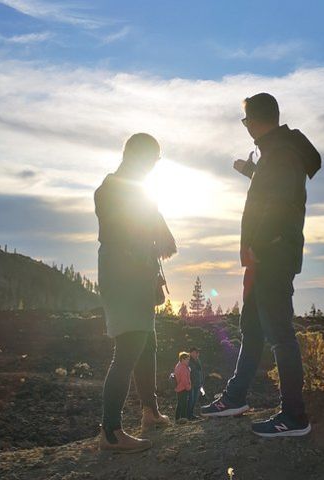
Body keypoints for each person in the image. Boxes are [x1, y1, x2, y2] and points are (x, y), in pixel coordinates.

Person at [201, 93, 321, 438]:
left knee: (280, 334)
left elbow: (279, 204)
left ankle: (294, 416)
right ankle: (236, 398)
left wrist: (258, 243)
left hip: (272, 256)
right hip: (270, 254)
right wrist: (252, 171)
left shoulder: (281, 153)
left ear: (255, 120)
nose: (246, 127)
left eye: (246, 121)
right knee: (252, 328)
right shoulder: (278, 152)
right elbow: (275, 192)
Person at [95, 133, 177, 453]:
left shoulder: (128, 189)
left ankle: (149, 412)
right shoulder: (115, 190)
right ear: (140, 157)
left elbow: (149, 240)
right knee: (128, 349)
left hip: (134, 276)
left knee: (147, 344)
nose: (154, 167)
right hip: (125, 277)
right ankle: (111, 432)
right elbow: (127, 239)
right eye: (153, 161)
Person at [174, 352, 192, 422]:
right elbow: (184, 380)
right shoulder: (183, 368)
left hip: (178, 388)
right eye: (187, 359)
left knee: (179, 404)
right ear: (182, 359)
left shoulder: (179, 365)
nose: (188, 361)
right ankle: (183, 419)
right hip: (183, 388)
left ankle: (177, 418)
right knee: (184, 404)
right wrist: (188, 387)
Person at [187, 347, 203, 419]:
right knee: (191, 399)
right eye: (194, 352)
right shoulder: (188, 361)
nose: (196, 354)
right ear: (190, 353)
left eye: (197, 352)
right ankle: (188, 414)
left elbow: (200, 372)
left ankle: (191, 414)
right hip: (191, 384)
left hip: (198, 383)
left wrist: (201, 381)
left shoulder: (198, 360)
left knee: (195, 399)